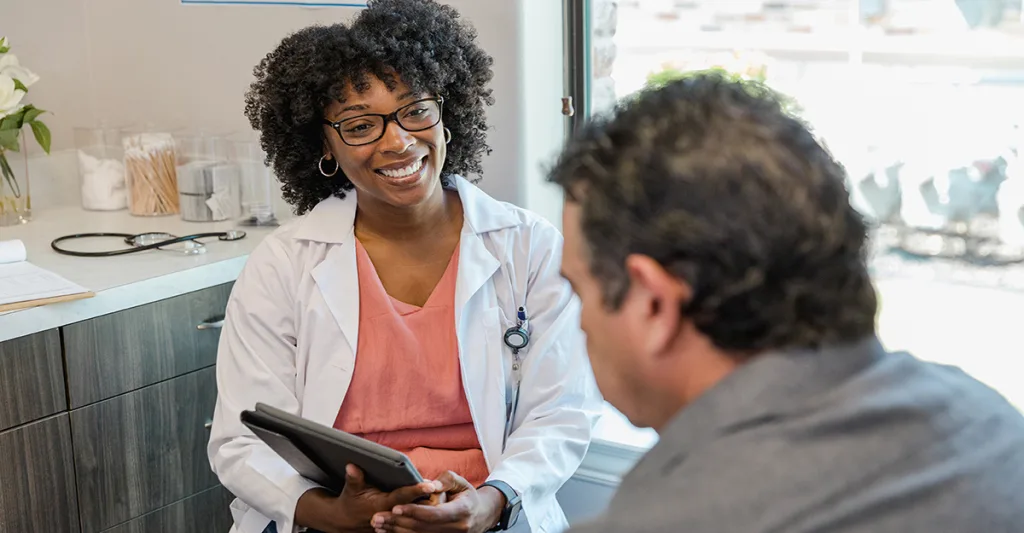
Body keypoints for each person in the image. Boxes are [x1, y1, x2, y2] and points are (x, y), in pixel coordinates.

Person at [550, 72, 1024, 533]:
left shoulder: (663, 520)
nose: (581, 324)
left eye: (579, 291)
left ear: (654, 306)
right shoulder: (993, 424)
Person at [207, 2, 602, 532]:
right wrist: (333, 515)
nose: (398, 141)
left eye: (415, 110)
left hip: (490, 513)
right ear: (324, 144)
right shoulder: (285, 263)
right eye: (360, 124)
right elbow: (240, 439)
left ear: (447, 113)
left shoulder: (526, 246)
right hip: (337, 515)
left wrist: (490, 502)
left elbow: (562, 412)